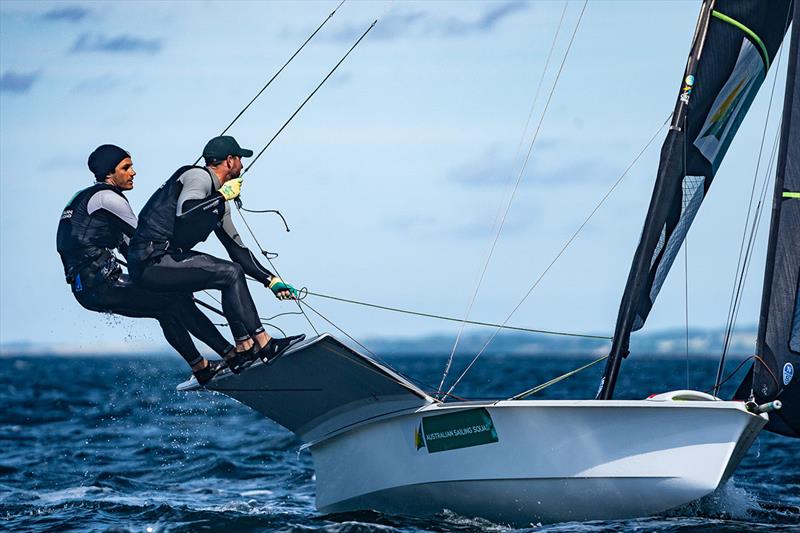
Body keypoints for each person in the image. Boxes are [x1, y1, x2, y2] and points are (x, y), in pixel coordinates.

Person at [56, 144, 236, 385]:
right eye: (126, 167)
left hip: (88, 289)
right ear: (109, 173)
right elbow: (144, 239)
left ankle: (202, 367)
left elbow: (127, 246)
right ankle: (231, 354)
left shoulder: (86, 197)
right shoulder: (108, 199)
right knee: (174, 299)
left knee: (166, 306)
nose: (133, 172)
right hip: (101, 284)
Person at [127, 136, 304, 372]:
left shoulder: (219, 203)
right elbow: (186, 212)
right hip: (150, 259)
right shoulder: (197, 177)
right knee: (229, 274)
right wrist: (220, 196)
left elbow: (237, 251)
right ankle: (264, 345)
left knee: (230, 272)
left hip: (164, 261)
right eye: (239, 159)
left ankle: (243, 349)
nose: (242, 166)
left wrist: (271, 280)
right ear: (229, 161)